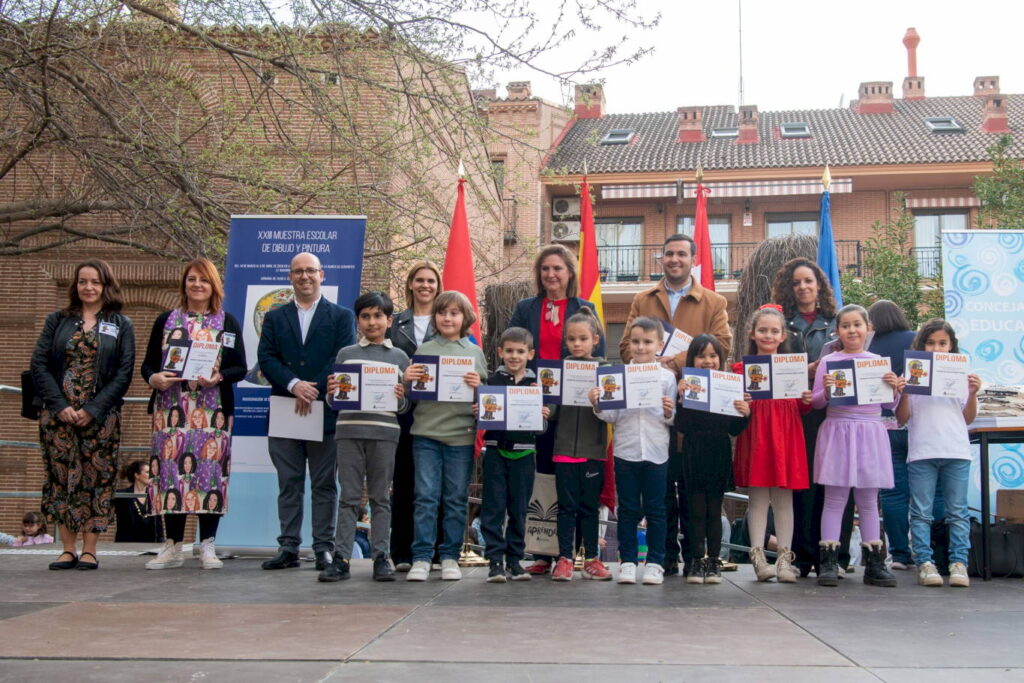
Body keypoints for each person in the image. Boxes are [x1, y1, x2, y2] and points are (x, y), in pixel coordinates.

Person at [620, 234, 732, 578]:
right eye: (669, 254)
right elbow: (625, 347)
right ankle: (664, 557)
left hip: (696, 414)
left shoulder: (714, 301)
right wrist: (655, 366)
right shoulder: (642, 299)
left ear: (693, 259)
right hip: (652, 410)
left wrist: (673, 362)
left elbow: (722, 346)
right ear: (662, 259)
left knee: (692, 491)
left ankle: (695, 556)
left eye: (682, 254)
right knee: (661, 493)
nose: (674, 259)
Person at [141, 258, 246, 570]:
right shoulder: (166, 320)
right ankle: (173, 546)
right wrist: (154, 378)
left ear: (214, 286)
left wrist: (219, 376)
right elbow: (148, 364)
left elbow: (240, 367)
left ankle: (207, 545)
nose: (197, 285)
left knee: (209, 475)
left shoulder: (226, 322)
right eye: (192, 279)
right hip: (170, 411)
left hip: (213, 412)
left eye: (204, 280)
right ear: (184, 285)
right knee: (170, 474)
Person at [31, 259, 135, 570]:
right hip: (58, 416)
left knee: (96, 480)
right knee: (62, 479)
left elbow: (124, 372)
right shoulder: (57, 321)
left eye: (95, 282)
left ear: (106, 286)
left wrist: (93, 409)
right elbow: (39, 365)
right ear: (75, 286)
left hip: (100, 418)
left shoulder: (121, 324)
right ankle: (67, 549)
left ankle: (90, 550)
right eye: (82, 281)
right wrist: (60, 405)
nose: (88, 287)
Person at [507, 245, 604, 576]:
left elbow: (598, 358)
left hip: (575, 411)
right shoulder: (526, 308)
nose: (551, 274)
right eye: (545, 268)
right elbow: (514, 348)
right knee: (542, 475)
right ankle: (543, 553)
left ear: (570, 272)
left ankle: (578, 554)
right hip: (535, 403)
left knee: (575, 485)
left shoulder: (584, 308)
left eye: (558, 268)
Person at [258, 252, 356, 571]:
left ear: (321, 275)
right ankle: (288, 547)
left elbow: (341, 358)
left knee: (324, 484)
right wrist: (294, 384)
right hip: (285, 409)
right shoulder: (274, 317)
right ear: (290, 277)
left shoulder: (341, 317)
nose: (304, 276)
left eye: (310, 271)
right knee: (289, 482)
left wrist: (311, 388)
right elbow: (266, 358)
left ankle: (323, 548)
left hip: (324, 412)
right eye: (298, 271)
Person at [318, 292, 410, 584]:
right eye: (365, 316)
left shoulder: (400, 357)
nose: (372, 322)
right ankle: (341, 558)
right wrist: (332, 393)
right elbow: (335, 402)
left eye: (378, 316)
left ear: (389, 320)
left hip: (384, 434)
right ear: (358, 321)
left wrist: (400, 397)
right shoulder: (346, 354)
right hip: (349, 432)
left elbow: (404, 406)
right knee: (348, 497)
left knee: (381, 497)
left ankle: (381, 557)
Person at [403, 291, 488, 582]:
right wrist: (408, 381)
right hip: (426, 434)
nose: (447, 318)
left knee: (455, 499)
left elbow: (486, 402)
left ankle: (450, 555)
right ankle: (422, 557)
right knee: (425, 497)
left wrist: (478, 387)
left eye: (454, 313)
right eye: (442, 313)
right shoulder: (424, 349)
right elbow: (413, 395)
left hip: (461, 437)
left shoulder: (475, 353)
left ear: (465, 317)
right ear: (435, 317)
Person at [812, 304, 900, 588]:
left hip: (870, 431)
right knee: (834, 499)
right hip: (838, 429)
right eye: (846, 325)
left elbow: (889, 404)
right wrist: (827, 391)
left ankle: (874, 563)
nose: (852, 330)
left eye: (857, 325)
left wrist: (894, 388)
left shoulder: (878, 362)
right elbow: (816, 402)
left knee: (869, 501)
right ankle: (829, 561)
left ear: (868, 328)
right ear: (837, 331)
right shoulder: (829, 361)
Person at [771, 257, 847, 578]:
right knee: (801, 484)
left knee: (835, 483)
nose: (802, 287)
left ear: (819, 285)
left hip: (833, 412)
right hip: (796, 413)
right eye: (796, 283)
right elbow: (771, 367)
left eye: (808, 281)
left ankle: (836, 555)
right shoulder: (780, 324)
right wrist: (807, 370)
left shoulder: (836, 323)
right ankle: (802, 557)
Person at [896, 319, 981, 588]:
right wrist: (904, 393)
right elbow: (901, 418)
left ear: (951, 345)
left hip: (956, 450)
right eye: (930, 343)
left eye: (942, 343)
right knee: (921, 512)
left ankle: (959, 563)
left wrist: (973, 393)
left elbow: (967, 418)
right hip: (922, 451)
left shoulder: (960, 374)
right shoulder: (913, 372)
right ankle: (925, 562)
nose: (936, 348)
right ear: (921, 345)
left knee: (957, 512)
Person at [732, 305, 812, 583]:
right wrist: (740, 401)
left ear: (783, 336)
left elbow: (800, 406)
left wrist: (805, 401)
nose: (768, 335)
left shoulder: (792, 368)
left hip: (785, 435)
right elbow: (733, 407)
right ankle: (757, 557)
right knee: (757, 498)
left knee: (783, 499)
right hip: (757, 435)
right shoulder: (740, 369)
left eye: (774, 331)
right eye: (763, 330)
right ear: (752, 333)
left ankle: (784, 560)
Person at [594, 317, 677, 585]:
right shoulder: (617, 377)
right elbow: (611, 416)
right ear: (628, 343)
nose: (641, 347)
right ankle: (628, 561)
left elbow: (673, 419)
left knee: (656, 510)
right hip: (626, 451)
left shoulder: (667, 378)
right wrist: (598, 404)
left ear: (659, 345)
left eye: (647, 342)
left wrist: (669, 412)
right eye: (636, 341)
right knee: (627, 509)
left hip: (656, 451)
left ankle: (655, 562)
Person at [676, 334, 750, 585]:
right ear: (692, 359)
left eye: (713, 355)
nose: (708, 361)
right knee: (696, 510)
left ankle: (714, 561)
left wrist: (745, 413)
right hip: (694, 451)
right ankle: (696, 560)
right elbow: (681, 426)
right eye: (701, 356)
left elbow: (734, 429)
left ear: (720, 359)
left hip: (718, 451)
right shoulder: (686, 385)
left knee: (714, 511)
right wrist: (680, 400)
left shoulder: (728, 385)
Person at [479, 327, 550, 583]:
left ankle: (514, 560)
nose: (514, 356)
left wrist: (542, 417)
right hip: (496, 451)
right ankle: (495, 561)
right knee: (493, 508)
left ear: (530, 354)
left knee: (519, 510)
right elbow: (484, 418)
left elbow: (541, 430)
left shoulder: (536, 385)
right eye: (509, 351)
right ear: (500, 352)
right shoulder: (491, 382)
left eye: (520, 351)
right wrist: (479, 411)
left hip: (524, 455)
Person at [546, 307, 611, 581]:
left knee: (589, 508)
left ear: (595, 340)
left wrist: (600, 400)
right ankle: (564, 558)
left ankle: (592, 559)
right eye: (571, 339)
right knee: (566, 508)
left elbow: (612, 410)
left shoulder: (606, 371)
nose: (577, 344)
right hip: (563, 450)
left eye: (583, 339)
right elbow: (553, 410)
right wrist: (546, 406)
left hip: (593, 450)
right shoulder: (558, 370)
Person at [387, 261, 441, 571]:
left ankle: (437, 551)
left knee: (436, 484)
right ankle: (402, 552)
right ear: (410, 284)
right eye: (419, 280)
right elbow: (384, 363)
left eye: (431, 280)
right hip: (404, 411)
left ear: (438, 285)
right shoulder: (395, 323)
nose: (425, 285)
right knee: (404, 479)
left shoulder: (449, 319)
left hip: (439, 412)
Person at [867, 300, 918, 570]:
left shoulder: (868, 348)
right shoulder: (915, 340)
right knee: (927, 493)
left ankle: (899, 555)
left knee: (893, 494)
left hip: (883, 428)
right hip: (916, 424)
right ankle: (931, 553)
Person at [114, 461, 162, 543]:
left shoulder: (154, 496)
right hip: (126, 545)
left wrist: (161, 542)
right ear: (137, 475)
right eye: (147, 472)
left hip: (150, 545)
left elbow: (158, 525)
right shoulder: (122, 496)